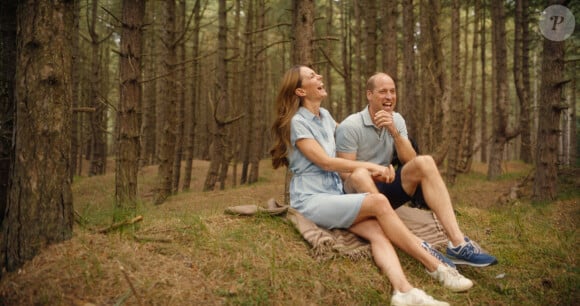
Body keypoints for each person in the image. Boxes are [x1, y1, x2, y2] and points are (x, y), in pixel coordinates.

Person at [270, 65, 473, 306]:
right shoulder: (297, 123)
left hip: (336, 196)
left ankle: (404, 291)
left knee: (377, 231)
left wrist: (386, 144)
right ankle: (436, 266)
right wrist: (372, 167)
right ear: (300, 91)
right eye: (312, 76)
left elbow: (347, 136)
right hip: (311, 199)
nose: (319, 76)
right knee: (378, 202)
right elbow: (325, 162)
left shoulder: (324, 117)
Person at [335, 72, 498, 267]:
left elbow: (411, 161)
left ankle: (458, 244)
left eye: (392, 92)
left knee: (426, 162)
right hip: (359, 196)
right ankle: (414, 243)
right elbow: (344, 173)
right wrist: (374, 172)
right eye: (383, 92)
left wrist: (394, 132)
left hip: (386, 189)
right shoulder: (350, 126)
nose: (389, 97)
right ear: (369, 95)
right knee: (360, 175)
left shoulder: (397, 120)